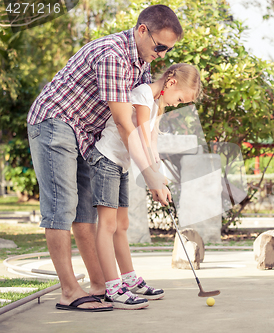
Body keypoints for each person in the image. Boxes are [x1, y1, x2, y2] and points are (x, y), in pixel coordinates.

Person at [27, 5, 179, 311]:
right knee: (61, 207)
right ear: (141, 30)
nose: (161, 55)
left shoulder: (141, 63)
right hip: (56, 122)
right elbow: (124, 123)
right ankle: (70, 291)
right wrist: (149, 176)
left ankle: (99, 286)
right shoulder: (112, 54)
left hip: (85, 134)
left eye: (167, 50)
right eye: (159, 46)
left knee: (86, 213)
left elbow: (141, 123)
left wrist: (154, 168)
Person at [89, 63, 202, 309]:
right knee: (107, 225)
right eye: (180, 98)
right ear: (171, 83)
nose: (177, 104)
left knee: (122, 225)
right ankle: (112, 287)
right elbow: (139, 135)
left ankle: (129, 280)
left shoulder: (156, 104)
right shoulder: (141, 94)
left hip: (122, 164)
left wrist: (159, 179)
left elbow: (151, 143)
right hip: (106, 159)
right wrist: (152, 178)